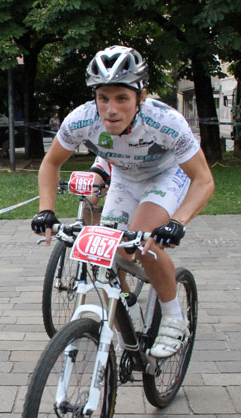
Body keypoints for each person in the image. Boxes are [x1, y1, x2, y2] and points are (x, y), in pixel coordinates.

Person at [32, 45, 215, 358]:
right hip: (125, 178)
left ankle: (173, 317)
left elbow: (204, 180)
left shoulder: (165, 121)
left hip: (165, 175)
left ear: (141, 97)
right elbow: (50, 164)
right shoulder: (81, 120)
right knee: (109, 250)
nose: (111, 109)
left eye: (122, 98)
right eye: (103, 98)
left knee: (143, 241)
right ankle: (126, 320)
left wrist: (177, 222)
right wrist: (45, 210)